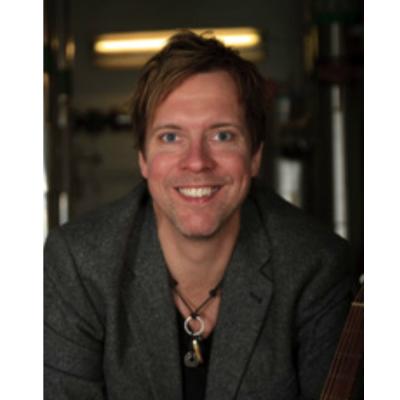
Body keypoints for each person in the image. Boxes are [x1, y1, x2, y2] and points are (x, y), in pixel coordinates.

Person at [44, 31, 353, 400]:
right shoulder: (79, 264)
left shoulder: (315, 265)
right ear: (143, 158)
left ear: (255, 156)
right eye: (171, 137)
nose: (196, 162)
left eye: (222, 136)